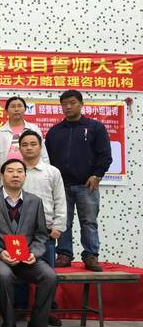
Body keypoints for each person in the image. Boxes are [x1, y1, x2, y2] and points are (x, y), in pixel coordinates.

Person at [0, 159, 59, 327]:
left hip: (26, 257)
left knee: (49, 276)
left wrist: (34, 253)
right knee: (4, 274)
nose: (15, 175)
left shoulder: (35, 201)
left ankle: (38, 325)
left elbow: (41, 235)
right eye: (11, 171)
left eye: (20, 171)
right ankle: (9, 326)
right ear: (2, 175)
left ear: (25, 176)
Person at [45, 90, 112, 271]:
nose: (68, 106)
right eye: (64, 104)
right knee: (63, 222)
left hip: (87, 184)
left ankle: (91, 255)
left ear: (81, 104)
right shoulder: (54, 132)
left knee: (89, 221)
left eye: (72, 102)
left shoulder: (95, 128)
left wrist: (97, 175)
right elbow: (47, 159)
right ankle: (64, 254)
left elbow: (105, 155)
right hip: (61, 186)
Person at [20, 130, 66, 327]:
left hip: (46, 230)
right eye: (24, 145)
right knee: (19, 270)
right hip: (19, 231)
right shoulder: (16, 170)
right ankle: (19, 308)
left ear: (40, 147)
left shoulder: (52, 172)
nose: (29, 148)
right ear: (19, 148)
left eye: (33, 144)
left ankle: (46, 311)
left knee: (47, 274)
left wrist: (58, 226)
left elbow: (60, 200)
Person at [0, 96, 48, 181]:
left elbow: (43, 155)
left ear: (25, 109)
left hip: (33, 176)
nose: (16, 109)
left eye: (19, 106)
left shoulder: (34, 129)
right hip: (8, 178)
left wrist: (46, 176)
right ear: (6, 111)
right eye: (13, 106)